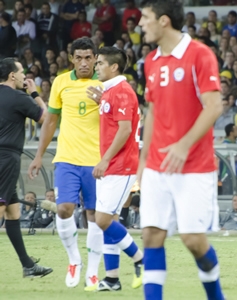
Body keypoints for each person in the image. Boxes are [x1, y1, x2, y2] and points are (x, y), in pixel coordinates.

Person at [138, 1, 225, 300]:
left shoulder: (200, 54)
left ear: (163, 21)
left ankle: (216, 295)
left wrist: (184, 144)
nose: (140, 24)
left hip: (194, 165)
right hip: (157, 165)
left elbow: (214, 106)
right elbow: (152, 112)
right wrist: (143, 161)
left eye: (145, 18)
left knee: (192, 240)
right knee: (151, 235)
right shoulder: (150, 61)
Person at [28, 37, 103, 290]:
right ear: (72, 59)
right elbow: (50, 121)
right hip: (67, 159)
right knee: (64, 209)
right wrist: (39, 155)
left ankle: (93, 271)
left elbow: (120, 120)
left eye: (88, 57)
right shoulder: (61, 82)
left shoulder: (105, 83)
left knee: (94, 216)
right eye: (78, 57)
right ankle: (75, 261)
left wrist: (104, 104)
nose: (83, 62)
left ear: (95, 58)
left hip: (97, 161)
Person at [86, 47, 143, 291]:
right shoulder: (112, 92)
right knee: (110, 220)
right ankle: (112, 278)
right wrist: (103, 101)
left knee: (103, 219)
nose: (96, 66)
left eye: (99, 63)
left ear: (114, 67)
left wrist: (105, 160)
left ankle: (141, 258)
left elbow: (125, 130)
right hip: (114, 165)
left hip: (121, 165)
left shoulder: (121, 92)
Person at [0, 58, 52, 277]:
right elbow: (48, 119)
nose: (24, 76)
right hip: (6, 158)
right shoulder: (19, 97)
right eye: (21, 72)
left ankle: (28, 266)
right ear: (12, 75)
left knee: (13, 212)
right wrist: (35, 95)